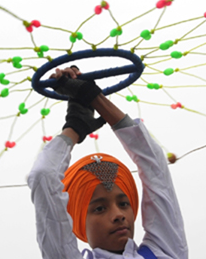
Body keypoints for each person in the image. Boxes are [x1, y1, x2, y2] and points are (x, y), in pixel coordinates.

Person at [28, 66, 188, 259]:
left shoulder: (165, 252)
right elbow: (43, 176)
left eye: (123, 203)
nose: (118, 215)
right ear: (77, 219)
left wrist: (92, 97)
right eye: (99, 208)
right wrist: (75, 126)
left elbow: (154, 164)